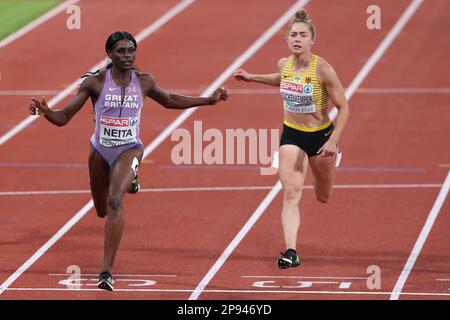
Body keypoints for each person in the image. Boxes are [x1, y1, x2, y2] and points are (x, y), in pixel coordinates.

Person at [29, 31, 228, 290]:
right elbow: (64, 117)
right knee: (101, 210)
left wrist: (208, 101)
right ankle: (130, 181)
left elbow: (169, 100)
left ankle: (106, 272)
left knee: (114, 200)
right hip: (100, 151)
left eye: (131, 51)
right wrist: (46, 112)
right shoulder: (95, 83)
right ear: (109, 54)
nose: (127, 56)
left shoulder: (143, 81)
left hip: (129, 149)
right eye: (121, 51)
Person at [233, 10, 349, 269]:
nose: (297, 39)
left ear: (311, 41)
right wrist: (253, 78)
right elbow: (282, 79)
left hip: (321, 138)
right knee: (291, 193)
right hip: (292, 135)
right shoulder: (282, 64)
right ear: (287, 39)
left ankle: (321, 179)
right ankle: (291, 251)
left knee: (323, 195)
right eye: (293, 35)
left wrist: (333, 142)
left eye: (302, 35)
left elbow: (344, 108)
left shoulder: (324, 70)